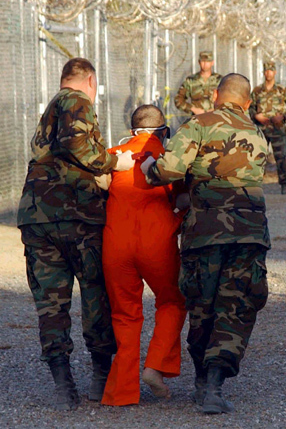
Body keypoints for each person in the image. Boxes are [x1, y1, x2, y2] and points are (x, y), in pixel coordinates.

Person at [141, 74, 270, 415]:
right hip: (249, 232)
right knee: (237, 305)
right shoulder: (258, 134)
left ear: (215, 95)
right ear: (247, 101)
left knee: (202, 303)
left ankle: (202, 380)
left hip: (206, 232)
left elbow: (169, 169)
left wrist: (148, 167)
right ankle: (213, 383)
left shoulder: (197, 124)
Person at [16, 58, 135, 410]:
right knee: (97, 294)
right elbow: (77, 143)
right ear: (90, 80)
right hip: (77, 217)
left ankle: (63, 384)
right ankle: (101, 378)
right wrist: (114, 165)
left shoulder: (52, 107)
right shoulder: (76, 100)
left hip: (38, 217)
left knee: (51, 304)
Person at [100, 105, 187, 406]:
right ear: (163, 130)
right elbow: (184, 198)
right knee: (172, 300)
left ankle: (121, 393)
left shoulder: (113, 155)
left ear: (132, 129)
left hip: (116, 244)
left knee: (124, 315)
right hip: (157, 242)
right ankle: (155, 367)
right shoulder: (167, 160)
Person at [250, 61, 286, 195]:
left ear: (275, 72)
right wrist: (256, 116)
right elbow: (251, 107)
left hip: (278, 129)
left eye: (271, 70)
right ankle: (256, 186)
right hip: (261, 130)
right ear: (263, 72)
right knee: (258, 158)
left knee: (281, 158)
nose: (268, 73)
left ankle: (284, 185)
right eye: (266, 70)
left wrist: (282, 117)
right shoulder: (257, 91)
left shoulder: (282, 90)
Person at [174, 51, 223, 118]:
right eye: (203, 61)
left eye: (207, 61)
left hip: (216, 118)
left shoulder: (220, 80)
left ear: (212, 63)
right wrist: (193, 109)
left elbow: (228, 99)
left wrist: (216, 109)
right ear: (199, 62)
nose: (205, 64)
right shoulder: (191, 80)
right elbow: (178, 99)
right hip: (197, 118)